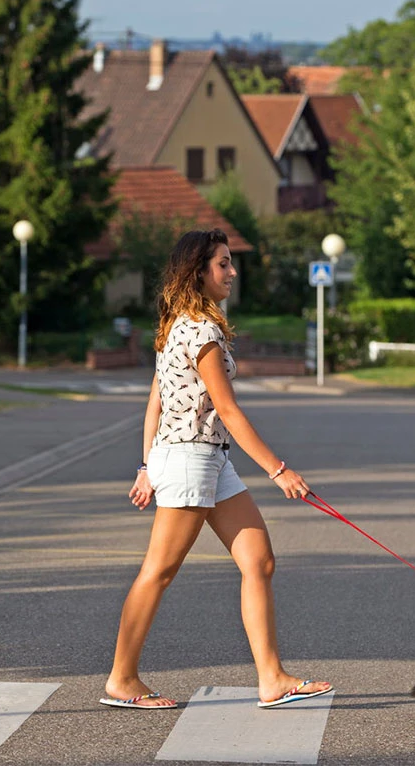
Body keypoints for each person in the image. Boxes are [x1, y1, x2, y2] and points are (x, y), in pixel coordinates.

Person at [101, 229, 333, 710]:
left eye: (230, 262)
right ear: (198, 272)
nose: (232, 271)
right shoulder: (200, 332)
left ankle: (272, 678)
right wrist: (278, 470)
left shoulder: (177, 324)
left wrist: (146, 465)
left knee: (258, 561)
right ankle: (122, 679)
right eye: (223, 264)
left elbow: (156, 402)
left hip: (205, 458)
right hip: (190, 458)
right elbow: (226, 409)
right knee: (158, 572)